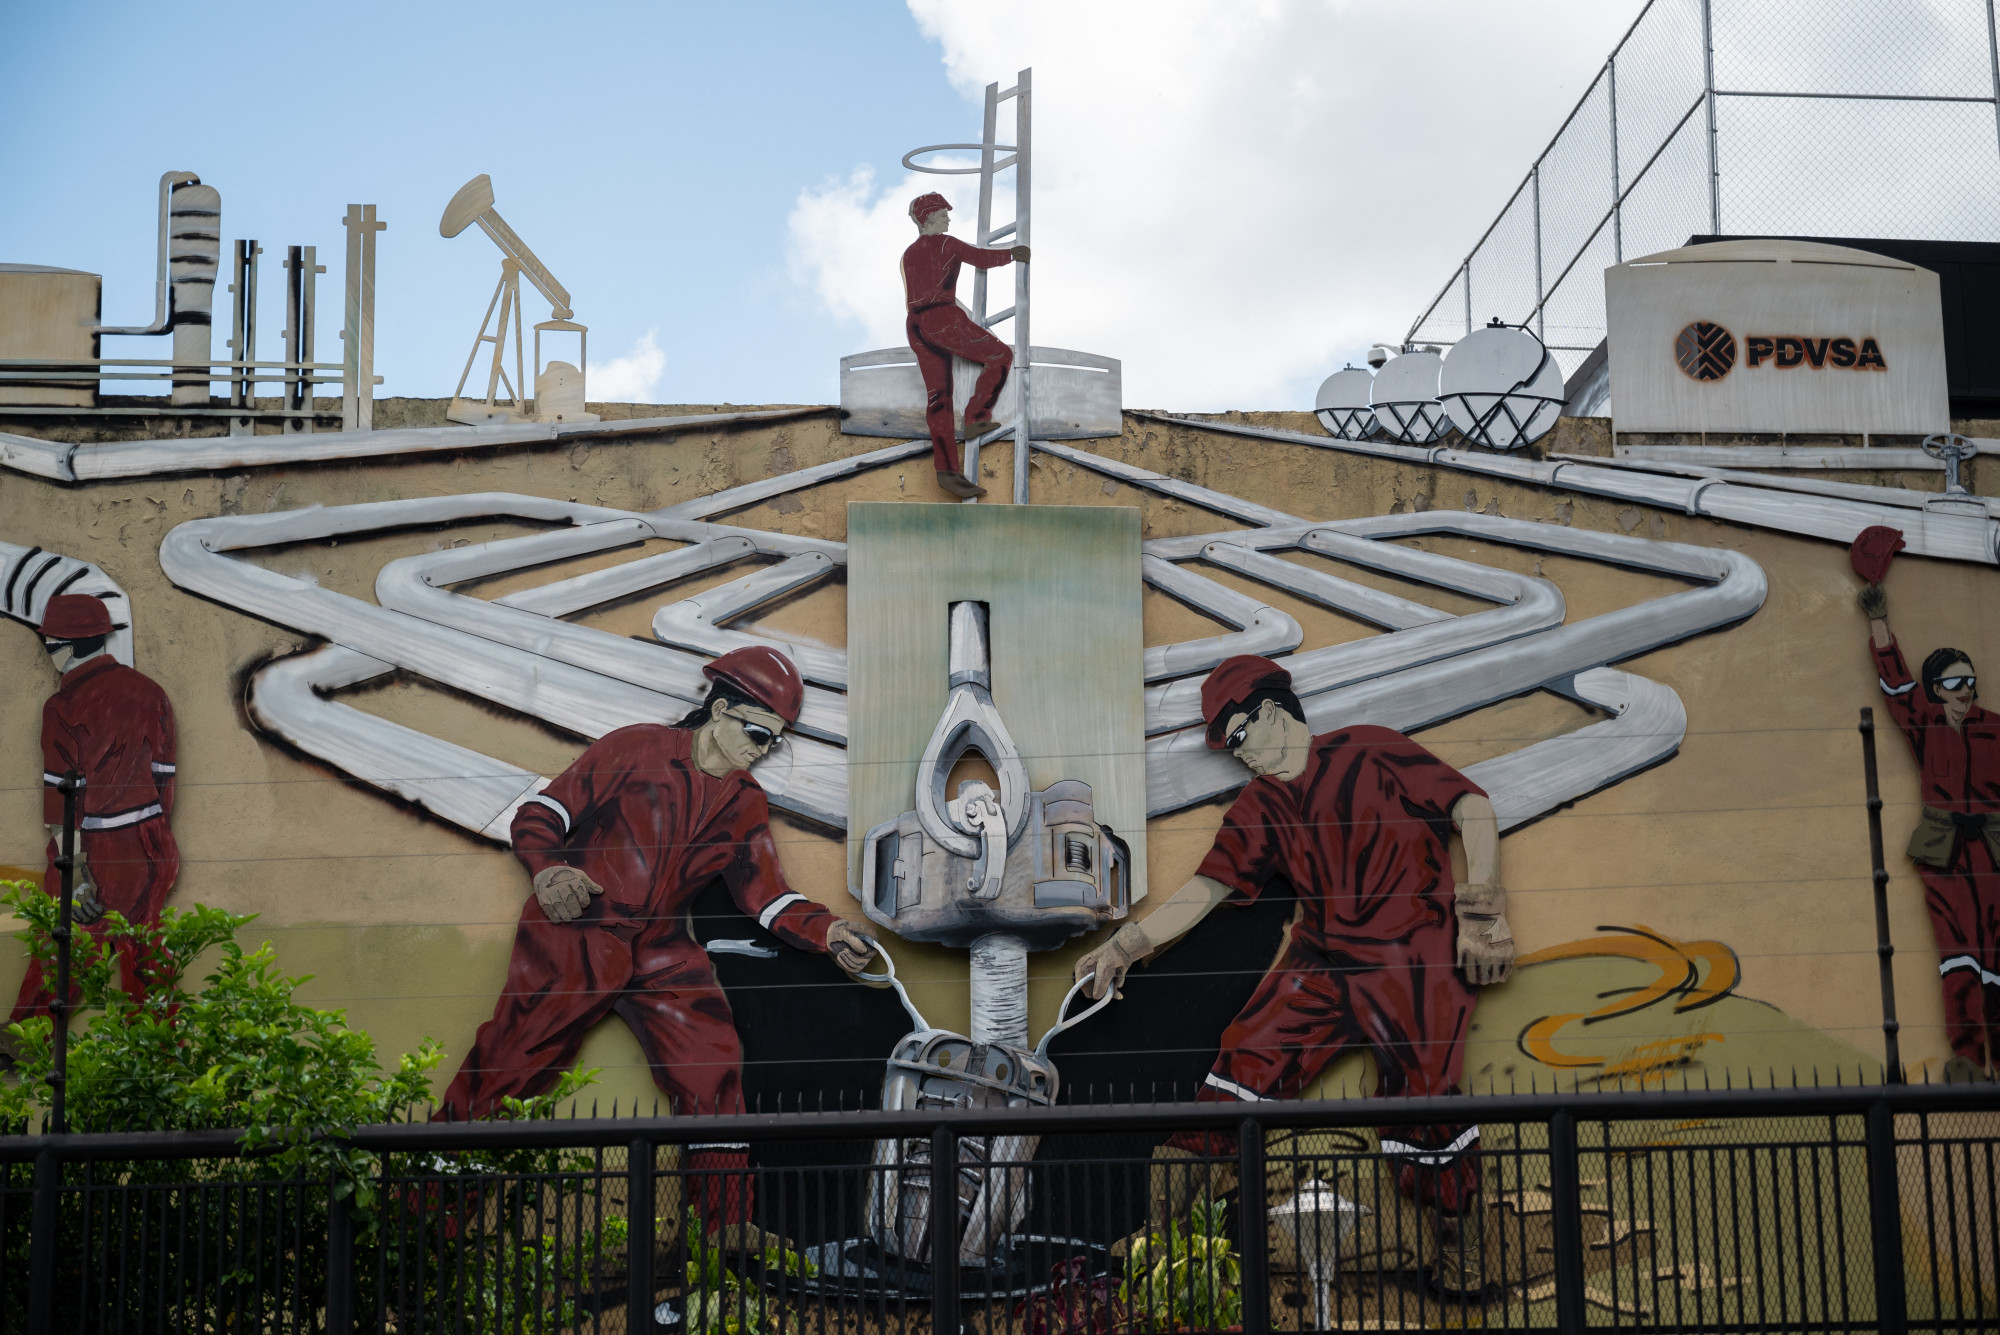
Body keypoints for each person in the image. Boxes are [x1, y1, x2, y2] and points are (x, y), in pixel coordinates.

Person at [1074, 655, 1513, 1297]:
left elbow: (1470, 806)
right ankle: (1160, 1235)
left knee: (1424, 1106)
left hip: (1415, 959)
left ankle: (1464, 1258)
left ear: (1272, 712)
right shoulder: (1261, 804)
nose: (1239, 755)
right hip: (1324, 962)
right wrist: (1126, 944)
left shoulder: (1371, 750)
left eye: (1240, 737)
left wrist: (1481, 914)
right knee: (1240, 1062)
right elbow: (1208, 888)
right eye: (1228, 748)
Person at [436, 645, 877, 1246]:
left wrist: (827, 932)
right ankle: (427, 1211)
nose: (763, 749)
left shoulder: (745, 801)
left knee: (711, 1057)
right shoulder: (635, 747)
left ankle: (724, 1225)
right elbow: (541, 812)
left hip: (661, 946)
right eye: (756, 732)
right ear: (718, 710)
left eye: (774, 741)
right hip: (578, 927)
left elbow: (765, 893)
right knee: (514, 1060)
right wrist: (548, 870)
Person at [10, 593, 178, 1026]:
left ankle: (26, 1038)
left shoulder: (63, 705)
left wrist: (76, 869)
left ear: (64, 647)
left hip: (97, 846)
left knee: (63, 943)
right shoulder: (151, 692)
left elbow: (61, 797)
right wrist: (153, 831)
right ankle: (160, 1045)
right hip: (152, 840)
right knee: (144, 951)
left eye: (49, 644)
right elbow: (165, 777)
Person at [1860, 579, 1998, 1082]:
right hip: (1943, 850)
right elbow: (1896, 683)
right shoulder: (1925, 723)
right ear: (1937, 689)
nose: (1967, 690)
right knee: (1957, 953)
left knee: (1997, 951)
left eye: (1971, 680)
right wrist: (1878, 618)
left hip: (1994, 850)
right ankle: (1967, 1056)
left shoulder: (1996, 727)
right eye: (1956, 682)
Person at [900, 191, 1031, 499]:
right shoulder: (947, 244)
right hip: (942, 319)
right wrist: (1014, 253)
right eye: (943, 214)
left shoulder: (908, 253)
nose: (948, 218)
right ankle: (976, 417)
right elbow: (981, 258)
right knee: (1001, 355)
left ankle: (947, 473)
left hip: (915, 324)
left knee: (938, 398)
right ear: (929, 219)